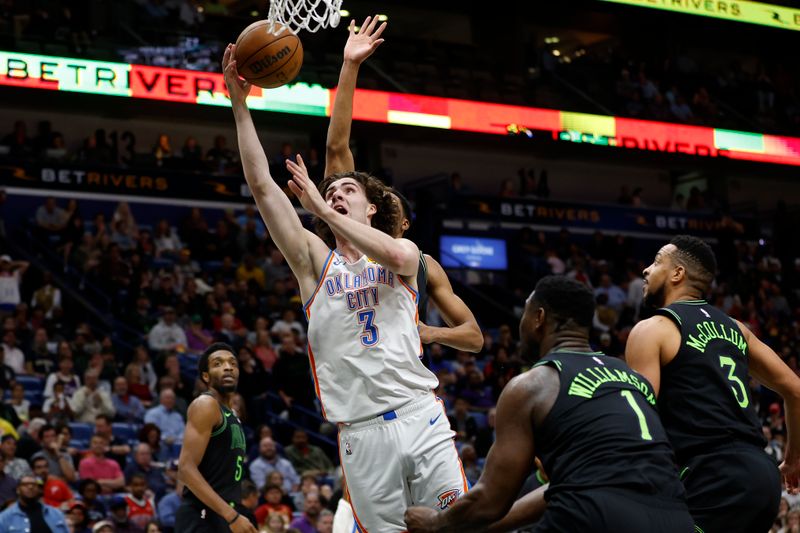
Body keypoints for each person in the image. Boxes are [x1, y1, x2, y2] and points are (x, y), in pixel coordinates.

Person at [224, 24, 468, 531]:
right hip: (359, 435)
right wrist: (239, 104)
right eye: (331, 194)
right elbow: (263, 187)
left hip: (420, 415)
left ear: (373, 208)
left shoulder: (400, 254)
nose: (336, 193)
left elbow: (387, 239)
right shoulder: (314, 261)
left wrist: (320, 205)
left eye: (348, 191)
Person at [405, 276, 692, 532]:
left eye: (525, 312)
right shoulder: (630, 375)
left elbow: (491, 499)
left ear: (539, 317)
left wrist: (435, 524)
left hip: (598, 517)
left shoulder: (533, 385)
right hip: (678, 518)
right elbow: (566, 487)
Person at [626, 235, 798, 532]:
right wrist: (794, 459)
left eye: (656, 262)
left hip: (711, 476)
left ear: (677, 274)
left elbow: (642, 419)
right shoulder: (736, 328)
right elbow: (795, 390)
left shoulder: (653, 329)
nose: (646, 270)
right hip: (762, 477)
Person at [176, 343, 255, 531]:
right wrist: (232, 516)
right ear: (206, 376)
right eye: (218, 363)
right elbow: (185, 468)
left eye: (232, 363)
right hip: (203, 515)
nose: (228, 367)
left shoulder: (232, 414)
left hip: (222, 513)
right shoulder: (206, 404)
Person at [0, 474, 70, 532]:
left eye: (34, 484)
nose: (30, 487)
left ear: (39, 490)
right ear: (18, 490)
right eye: (25, 484)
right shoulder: (5, 517)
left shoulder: (56, 514)